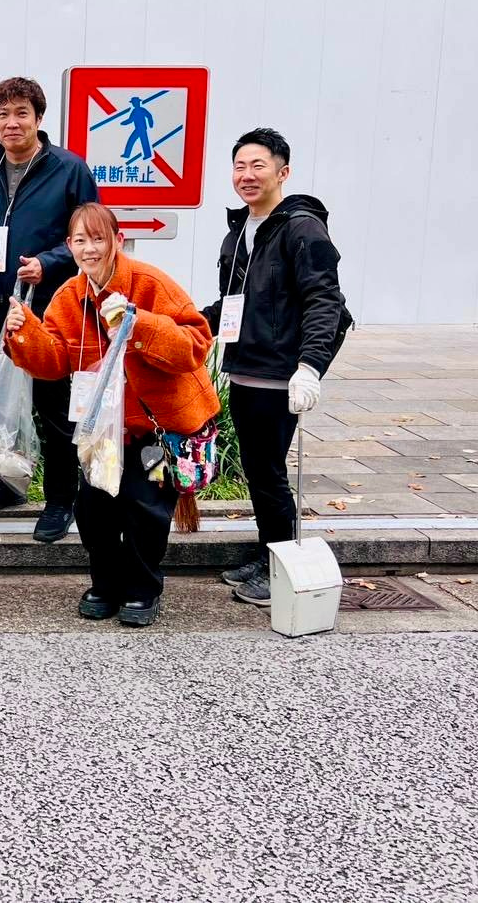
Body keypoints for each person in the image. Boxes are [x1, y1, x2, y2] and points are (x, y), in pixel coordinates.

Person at [5, 202, 219, 627]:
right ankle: (105, 584)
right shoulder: (68, 296)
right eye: (80, 240)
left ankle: (142, 590)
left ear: (117, 241)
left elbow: (196, 343)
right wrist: (24, 331)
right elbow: (54, 362)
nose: (89, 248)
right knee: (94, 509)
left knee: (146, 510)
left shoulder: (150, 283)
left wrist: (138, 324)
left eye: (98, 238)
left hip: (156, 429)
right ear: (69, 246)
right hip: (103, 430)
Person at [0, 76, 99, 542]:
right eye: (3, 115)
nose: (12, 123)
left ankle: (60, 499)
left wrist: (48, 263)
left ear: (39, 118)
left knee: (53, 410)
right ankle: (7, 485)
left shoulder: (69, 170)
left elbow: (90, 238)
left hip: (50, 312)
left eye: (21, 114)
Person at [202, 128, 350, 608]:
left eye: (258, 166)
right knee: (258, 469)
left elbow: (325, 300)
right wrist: (183, 323)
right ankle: (271, 550)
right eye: (239, 166)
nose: (247, 175)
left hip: (278, 374)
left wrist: (310, 367)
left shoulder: (301, 229)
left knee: (268, 471)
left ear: (282, 172)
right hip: (244, 369)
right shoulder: (239, 230)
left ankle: (282, 564)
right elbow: (232, 304)